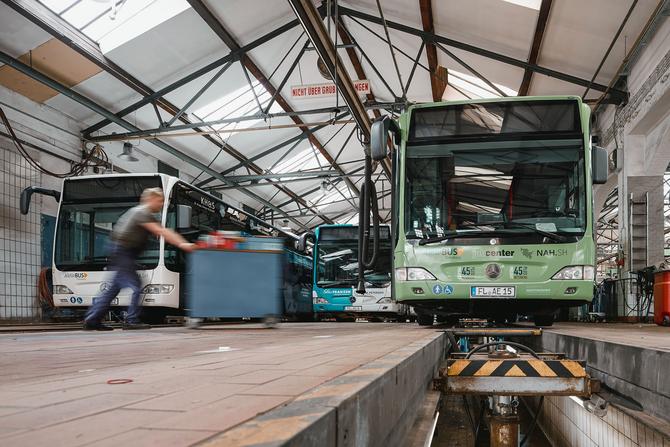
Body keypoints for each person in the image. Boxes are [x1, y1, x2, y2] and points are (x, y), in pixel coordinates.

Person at [83, 187, 195, 331]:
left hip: (120, 251)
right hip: (123, 252)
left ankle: (92, 319)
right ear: (151, 199)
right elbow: (162, 231)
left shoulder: (140, 213)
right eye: (160, 201)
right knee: (135, 284)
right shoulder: (142, 212)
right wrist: (183, 244)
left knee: (113, 289)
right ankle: (131, 320)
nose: (162, 205)